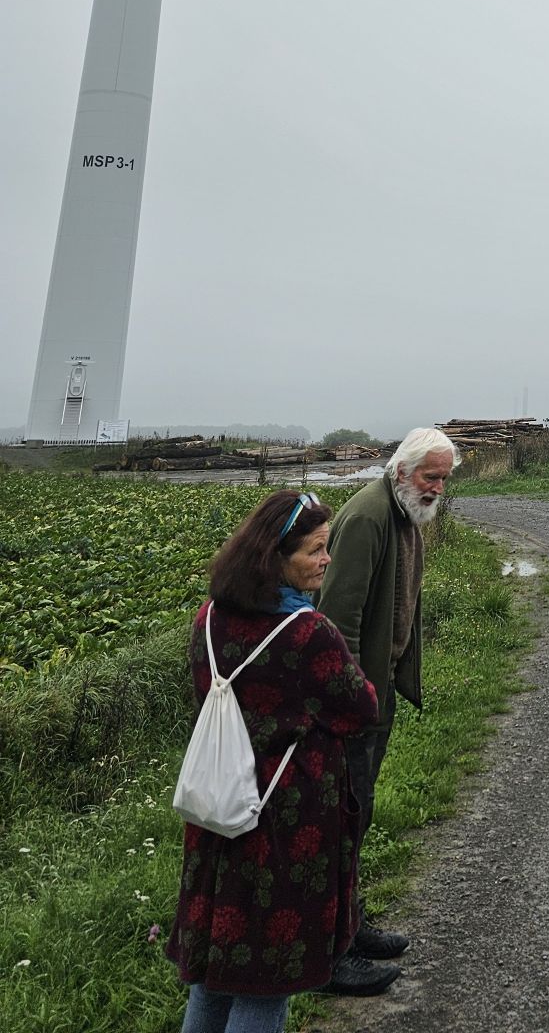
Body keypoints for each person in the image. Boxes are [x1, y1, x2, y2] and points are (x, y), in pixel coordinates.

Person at [167, 489, 380, 1031]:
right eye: (315, 549)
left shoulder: (209, 619)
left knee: (214, 973)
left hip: (217, 816)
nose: (326, 560)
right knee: (266, 984)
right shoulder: (307, 633)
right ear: (275, 558)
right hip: (283, 826)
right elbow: (361, 709)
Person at [317, 425, 459, 995]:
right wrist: (352, 701)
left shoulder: (404, 515)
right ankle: (330, 955)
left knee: (358, 817)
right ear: (402, 470)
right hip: (355, 704)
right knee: (341, 824)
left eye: (445, 479)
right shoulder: (369, 517)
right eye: (431, 476)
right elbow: (338, 621)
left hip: (373, 698)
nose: (437, 489)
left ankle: (349, 925)